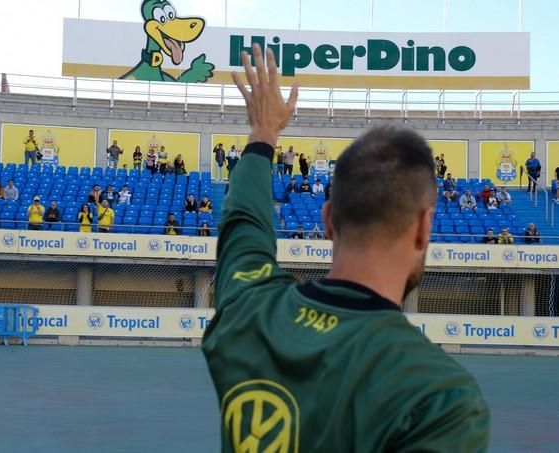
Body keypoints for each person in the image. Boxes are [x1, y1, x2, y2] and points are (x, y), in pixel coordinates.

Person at [202, 45, 489, 452]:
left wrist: (263, 135)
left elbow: (244, 225)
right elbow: (244, 227)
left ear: (328, 220)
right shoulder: (440, 399)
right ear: (425, 227)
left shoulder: (251, 309)